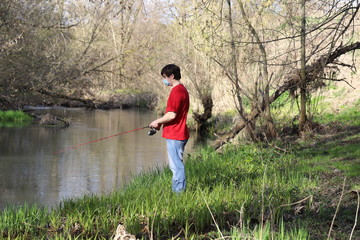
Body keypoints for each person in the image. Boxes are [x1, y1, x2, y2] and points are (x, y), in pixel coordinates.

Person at [149, 64, 190, 193]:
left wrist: (156, 121)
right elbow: (173, 114)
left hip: (175, 135)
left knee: (176, 167)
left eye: (165, 77)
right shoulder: (182, 89)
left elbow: (172, 115)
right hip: (177, 133)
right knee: (175, 166)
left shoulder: (177, 92)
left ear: (172, 76)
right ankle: (177, 192)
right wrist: (160, 124)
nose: (164, 80)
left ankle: (178, 195)